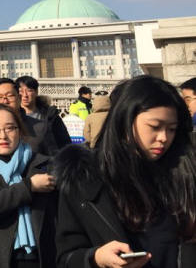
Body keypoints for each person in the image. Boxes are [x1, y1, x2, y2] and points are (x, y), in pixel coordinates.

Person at [55, 75, 196, 268]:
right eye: (154, 127)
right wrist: (96, 257)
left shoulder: (185, 172)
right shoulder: (84, 178)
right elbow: (66, 258)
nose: (163, 137)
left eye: (171, 129)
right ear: (125, 120)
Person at [0, 104, 57, 268]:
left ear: (20, 131)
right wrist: (29, 186)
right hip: (0, 256)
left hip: (43, 255)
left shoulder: (43, 164)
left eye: (10, 128)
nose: (3, 136)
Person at [15, 75, 72, 156]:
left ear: (36, 92)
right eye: (21, 91)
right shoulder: (14, 116)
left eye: (29, 90)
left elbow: (65, 141)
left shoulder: (50, 115)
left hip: (48, 161)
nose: (25, 95)